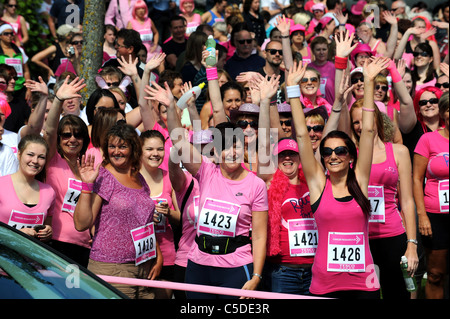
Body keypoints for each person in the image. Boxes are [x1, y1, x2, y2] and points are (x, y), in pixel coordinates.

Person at [147, 78, 268, 299]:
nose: (231, 153)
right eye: (225, 147)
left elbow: (259, 235)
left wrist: (257, 276)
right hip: (198, 265)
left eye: (236, 146)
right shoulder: (206, 170)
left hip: (236, 266)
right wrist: (172, 106)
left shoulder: (256, 184)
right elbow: (179, 143)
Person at [288, 57, 390, 298]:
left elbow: (366, 131)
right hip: (325, 284)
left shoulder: (361, 182)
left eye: (340, 151)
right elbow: (302, 135)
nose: (333, 156)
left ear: (351, 157)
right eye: (327, 152)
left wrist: (368, 80)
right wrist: (292, 89)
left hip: (364, 283)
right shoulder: (317, 185)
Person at [73, 122, 162, 299]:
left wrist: (157, 255)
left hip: (144, 266)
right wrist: (87, 185)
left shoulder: (140, 178)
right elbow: (81, 224)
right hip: (112, 268)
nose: (116, 152)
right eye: (112, 146)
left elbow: (143, 222)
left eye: (122, 146)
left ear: (134, 149)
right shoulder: (104, 176)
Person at [349, 95, 419, 300]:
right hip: (359, 240)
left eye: (365, 119)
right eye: (356, 122)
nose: (361, 126)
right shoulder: (349, 156)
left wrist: (412, 244)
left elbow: (407, 201)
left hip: (392, 236)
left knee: (396, 294)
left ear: (377, 119)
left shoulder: (399, 152)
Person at [44, 76, 92, 267]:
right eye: (66, 135)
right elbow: (49, 130)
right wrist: (58, 100)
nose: (72, 139)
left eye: (78, 134)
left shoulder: (89, 166)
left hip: (84, 244)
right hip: (54, 242)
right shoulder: (52, 160)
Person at [413, 91, 449, 299]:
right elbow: (417, 179)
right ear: (443, 113)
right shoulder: (428, 140)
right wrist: (422, 214)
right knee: (435, 274)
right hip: (436, 216)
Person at [139, 129, 180, 299]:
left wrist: (169, 213)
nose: (155, 154)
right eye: (149, 149)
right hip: (139, 253)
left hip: (168, 254)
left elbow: (181, 218)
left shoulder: (170, 178)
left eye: (160, 149)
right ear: (139, 150)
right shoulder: (132, 178)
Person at [0, 134, 55, 241]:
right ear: (19, 154)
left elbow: (47, 226)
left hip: (31, 256)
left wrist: (48, 232)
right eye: (30, 154)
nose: (35, 161)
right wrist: (15, 234)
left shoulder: (49, 192)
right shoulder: (1, 185)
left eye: (41, 157)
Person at [309, 36, 335, 105]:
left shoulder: (334, 68)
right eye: (318, 50)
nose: (321, 52)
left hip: (330, 108)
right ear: (313, 51)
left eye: (324, 49)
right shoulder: (308, 68)